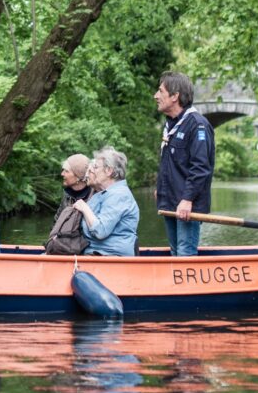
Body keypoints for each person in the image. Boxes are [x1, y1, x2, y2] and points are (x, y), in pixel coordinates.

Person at [154, 71, 215, 256]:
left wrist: (188, 200)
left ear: (174, 96)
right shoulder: (170, 124)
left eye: (160, 91)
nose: (155, 96)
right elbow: (170, 163)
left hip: (187, 206)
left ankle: (188, 285)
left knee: (185, 254)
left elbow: (200, 168)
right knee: (175, 252)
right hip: (169, 201)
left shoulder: (197, 125)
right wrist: (161, 189)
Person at [75, 148, 139, 257]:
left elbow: (100, 231)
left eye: (96, 167)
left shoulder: (119, 195)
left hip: (110, 257)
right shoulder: (105, 193)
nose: (93, 170)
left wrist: (84, 208)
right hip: (95, 253)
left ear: (109, 171)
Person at [45, 153, 93, 254]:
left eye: (66, 171)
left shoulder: (94, 196)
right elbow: (56, 223)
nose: (62, 174)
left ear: (78, 177)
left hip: (85, 249)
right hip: (64, 247)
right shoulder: (66, 195)